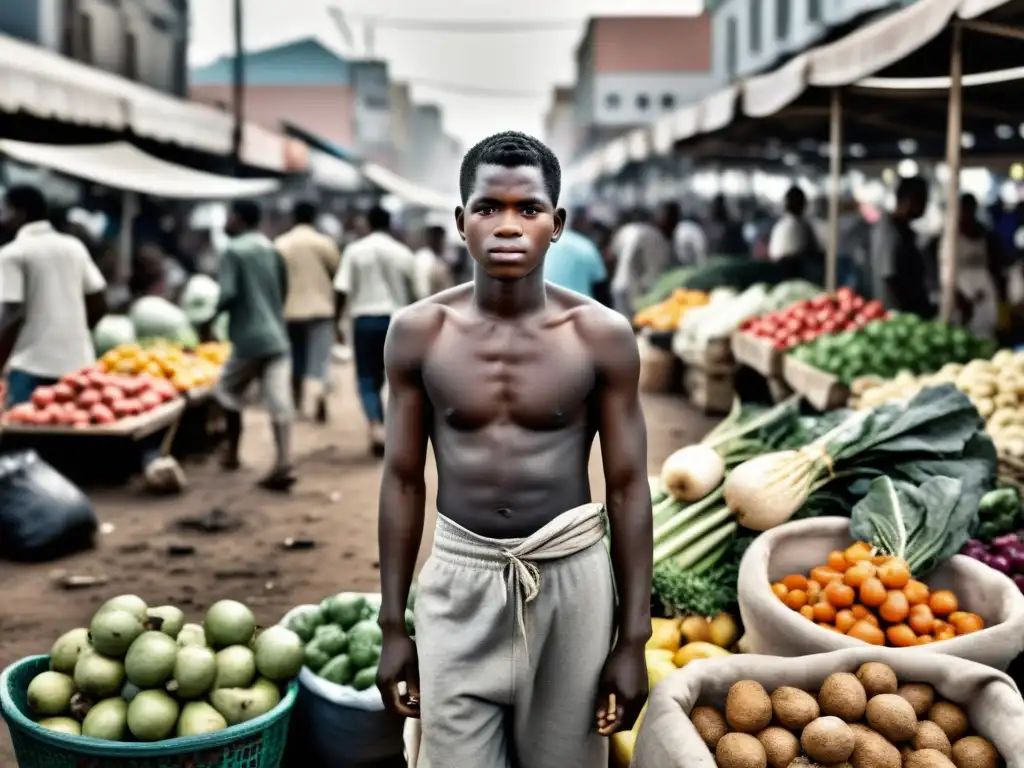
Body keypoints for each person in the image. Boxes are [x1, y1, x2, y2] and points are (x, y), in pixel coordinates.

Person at [376, 131, 651, 768]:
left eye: (527, 209)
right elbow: (401, 480)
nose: (507, 226)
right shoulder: (419, 332)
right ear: (460, 222)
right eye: (487, 208)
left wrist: (633, 638)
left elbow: (630, 486)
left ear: (556, 224)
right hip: (459, 579)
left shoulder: (600, 336)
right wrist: (393, 625)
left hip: (570, 578)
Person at [214, 200, 296, 491]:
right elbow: (284, 290)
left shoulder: (233, 251)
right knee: (279, 401)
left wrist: (209, 318)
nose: (225, 222)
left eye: (228, 216)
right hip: (277, 337)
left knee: (223, 389)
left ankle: (233, 452)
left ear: (238, 219)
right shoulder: (271, 249)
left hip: (249, 338)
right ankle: (284, 462)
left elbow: (227, 294)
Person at [0, 185, 108, 406]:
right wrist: (71, 333)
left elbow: (13, 314)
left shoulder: (13, 253)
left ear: (19, 213)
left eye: (6, 211)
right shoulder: (73, 247)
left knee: (23, 434)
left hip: (29, 369)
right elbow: (99, 302)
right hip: (78, 366)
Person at [334, 205, 416, 456]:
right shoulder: (403, 253)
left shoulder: (355, 250)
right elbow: (417, 294)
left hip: (365, 321)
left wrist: (336, 321)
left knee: (367, 379)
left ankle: (376, 426)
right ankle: (396, 431)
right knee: (395, 380)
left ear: (368, 222)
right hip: (398, 322)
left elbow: (341, 289)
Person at [275, 200, 342, 423]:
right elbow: (338, 275)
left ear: (293, 217)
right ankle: (319, 399)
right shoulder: (323, 243)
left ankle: (296, 400)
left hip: (290, 310)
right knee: (320, 359)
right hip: (321, 309)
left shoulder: (281, 244)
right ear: (314, 217)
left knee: (296, 358)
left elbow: (276, 279)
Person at [868, 176, 934, 317]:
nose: (924, 207)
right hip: (898, 313)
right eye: (922, 201)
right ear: (907, 200)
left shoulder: (905, 231)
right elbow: (889, 276)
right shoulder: (888, 231)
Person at [608, 202, 678, 318]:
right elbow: (657, 269)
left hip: (619, 286)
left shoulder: (624, 231)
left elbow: (612, 258)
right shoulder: (654, 235)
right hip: (641, 292)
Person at [543, 210, 608, 299]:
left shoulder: (542, 245)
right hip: (581, 309)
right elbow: (602, 291)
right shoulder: (586, 246)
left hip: (545, 306)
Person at [767, 186, 821, 261]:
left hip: (777, 269)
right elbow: (814, 251)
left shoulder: (778, 226)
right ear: (802, 204)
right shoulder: (802, 226)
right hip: (796, 270)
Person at [413, 225, 455, 299]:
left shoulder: (443, 257)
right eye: (436, 237)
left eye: (441, 237)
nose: (439, 240)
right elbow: (422, 289)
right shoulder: (423, 257)